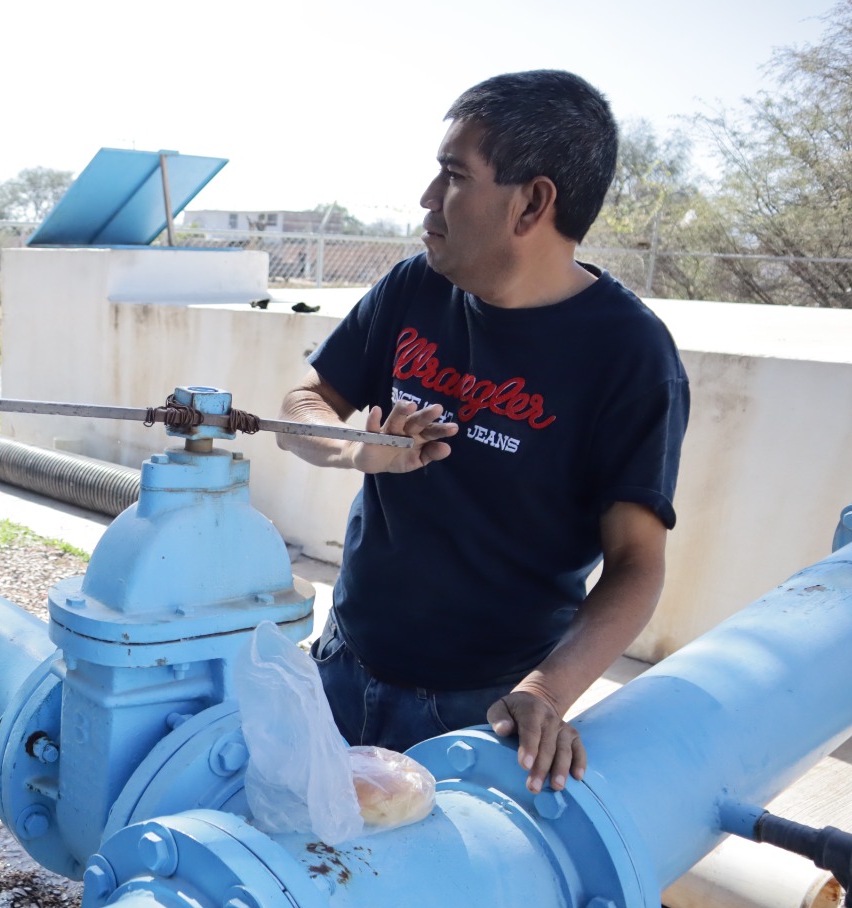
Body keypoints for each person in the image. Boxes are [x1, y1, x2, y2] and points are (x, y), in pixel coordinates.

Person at [278, 70, 689, 793]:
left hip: (480, 708)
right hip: (343, 662)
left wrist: (549, 691)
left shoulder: (629, 356)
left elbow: (636, 562)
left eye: (453, 176)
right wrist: (356, 449)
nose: (427, 199)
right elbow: (304, 402)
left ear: (532, 202)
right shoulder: (415, 286)